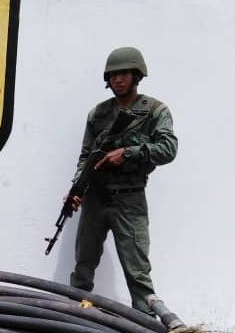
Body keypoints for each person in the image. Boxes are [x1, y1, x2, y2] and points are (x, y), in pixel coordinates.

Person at [68, 47, 178, 315]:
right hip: (96, 198)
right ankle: (73, 321)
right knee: (83, 267)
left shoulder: (154, 111)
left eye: (124, 74)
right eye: (113, 75)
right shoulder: (98, 114)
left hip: (130, 198)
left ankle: (143, 329)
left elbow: (168, 149)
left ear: (136, 75)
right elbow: (86, 156)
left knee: (137, 273)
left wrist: (128, 153)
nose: (118, 79)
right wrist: (77, 188)